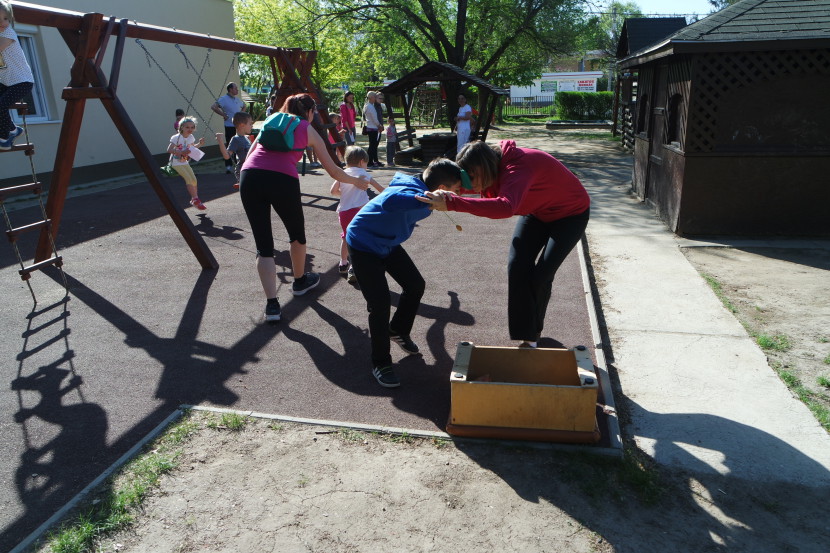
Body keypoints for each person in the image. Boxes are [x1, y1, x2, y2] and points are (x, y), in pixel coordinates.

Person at [418, 140, 590, 348]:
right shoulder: (488, 168)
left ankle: (533, 333)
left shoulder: (519, 167)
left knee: (542, 275)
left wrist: (453, 203)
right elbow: (456, 187)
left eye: (471, 176)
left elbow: (506, 207)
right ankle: (527, 335)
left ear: (484, 167)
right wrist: (436, 191)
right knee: (517, 265)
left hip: (571, 215)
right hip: (538, 212)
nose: (470, 183)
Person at [239, 93, 370, 323]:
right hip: (282, 180)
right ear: (309, 112)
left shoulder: (272, 119)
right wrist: (356, 182)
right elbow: (334, 171)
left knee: (263, 243)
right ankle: (299, 282)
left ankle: (272, 306)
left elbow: (251, 153)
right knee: (296, 234)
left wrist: (243, 178)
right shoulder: (307, 128)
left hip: (250, 177)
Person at [346, 158, 463, 388]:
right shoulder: (411, 190)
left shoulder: (420, 185)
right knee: (379, 304)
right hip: (363, 244)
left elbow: (436, 337)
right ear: (440, 189)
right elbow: (390, 200)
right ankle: (380, 362)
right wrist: (425, 200)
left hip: (387, 243)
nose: (455, 195)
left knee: (415, 285)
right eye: (454, 191)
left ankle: (397, 329)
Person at [330, 146, 385, 284]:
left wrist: (344, 194)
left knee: (346, 237)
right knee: (359, 240)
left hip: (344, 211)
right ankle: (354, 267)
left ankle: (343, 263)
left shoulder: (342, 173)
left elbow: (333, 191)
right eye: (366, 163)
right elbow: (381, 190)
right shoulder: (363, 173)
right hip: (360, 211)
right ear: (361, 162)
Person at [0, 1, 33, 151]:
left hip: (22, 81)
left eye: (6, 19)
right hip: (6, 81)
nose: (3, 23)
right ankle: (5, 137)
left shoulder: (8, 33)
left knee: (1, 105)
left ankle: (12, 131)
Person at [167, 116, 207, 210]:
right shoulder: (176, 137)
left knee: (194, 180)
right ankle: (196, 200)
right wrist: (181, 152)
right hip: (175, 162)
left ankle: (194, 199)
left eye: (192, 127)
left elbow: (192, 148)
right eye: (187, 127)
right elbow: (169, 149)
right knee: (189, 179)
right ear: (181, 127)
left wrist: (200, 144)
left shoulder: (191, 137)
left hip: (184, 161)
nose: (190, 129)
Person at [211, 82, 245, 174]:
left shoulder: (237, 100)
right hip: (229, 126)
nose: (237, 90)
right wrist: (223, 114)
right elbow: (214, 107)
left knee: (240, 145)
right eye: (235, 88)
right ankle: (229, 166)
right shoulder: (223, 99)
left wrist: (241, 115)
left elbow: (244, 106)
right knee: (230, 146)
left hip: (238, 127)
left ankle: (239, 164)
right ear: (230, 89)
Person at [214, 111, 253, 189]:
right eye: (250, 124)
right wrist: (220, 141)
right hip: (242, 171)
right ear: (242, 125)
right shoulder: (236, 139)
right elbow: (226, 156)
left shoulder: (246, 138)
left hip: (250, 170)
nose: (252, 126)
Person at [362, 91, 383, 168]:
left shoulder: (367, 105)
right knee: (372, 146)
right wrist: (379, 125)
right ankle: (369, 161)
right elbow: (374, 118)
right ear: (371, 98)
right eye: (374, 96)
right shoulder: (370, 106)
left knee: (372, 145)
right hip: (373, 128)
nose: (375, 98)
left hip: (370, 127)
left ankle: (371, 161)